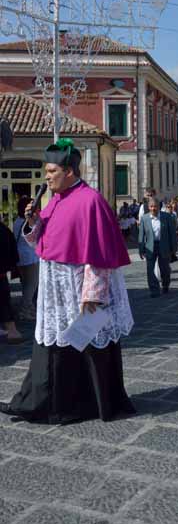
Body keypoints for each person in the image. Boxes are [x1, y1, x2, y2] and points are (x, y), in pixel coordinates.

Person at [0, 138, 134, 424]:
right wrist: (34, 222)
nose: (46, 177)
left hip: (78, 289)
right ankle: (38, 401)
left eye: (51, 171)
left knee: (84, 344)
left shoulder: (90, 201)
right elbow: (42, 244)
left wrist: (92, 295)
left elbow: (98, 254)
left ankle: (81, 405)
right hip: (55, 288)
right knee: (53, 344)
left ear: (69, 171)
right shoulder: (54, 201)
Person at [138, 197, 177, 297]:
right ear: (148, 207)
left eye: (155, 206)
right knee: (150, 269)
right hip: (150, 247)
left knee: (164, 269)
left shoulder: (167, 217)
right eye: (151, 206)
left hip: (163, 246)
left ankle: (165, 285)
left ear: (159, 207)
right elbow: (141, 235)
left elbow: (172, 233)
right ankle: (154, 290)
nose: (153, 208)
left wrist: (173, 248)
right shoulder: (145, 218)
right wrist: (141, 249)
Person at [13, 196, 39, 321]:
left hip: (20, 257)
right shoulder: (27, 222)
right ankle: (24, 311)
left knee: (26, 285)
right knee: (31, 286)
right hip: (30, 257)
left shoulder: (17, 220)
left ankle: (29, 309)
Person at [0, 219, 23, 343]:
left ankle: (13, 332)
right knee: (4, 303)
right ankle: (13, 332)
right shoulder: (5, 230)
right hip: (2, 275)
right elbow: (14, 253)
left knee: (4, 303)